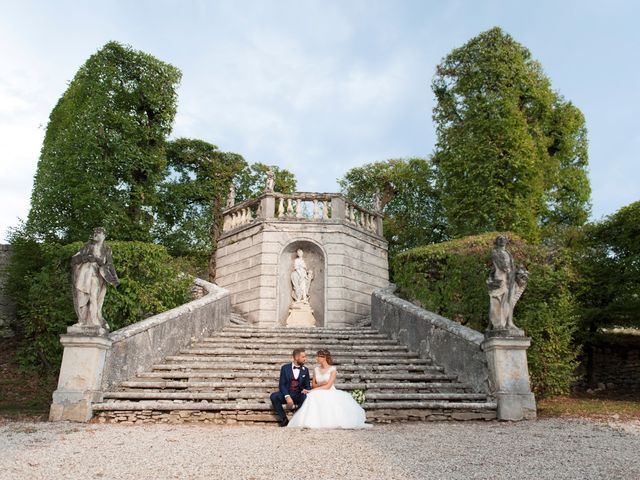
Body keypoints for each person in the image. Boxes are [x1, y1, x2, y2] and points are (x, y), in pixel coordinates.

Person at [287, 349, 371, 429]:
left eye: (318, 356)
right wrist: (320, 384)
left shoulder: (332, 369)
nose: (316, 358)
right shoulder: (316, 369)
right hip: (318, 390)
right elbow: (314, 385)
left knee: (318, 396)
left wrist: (312, 390)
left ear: (324, 358)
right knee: (311, 397)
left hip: (329, 391)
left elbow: (328, 386)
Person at [270, 348, 311, 427]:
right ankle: (284, 419)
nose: (305, 359)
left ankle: (296, 418)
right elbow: (282, 384)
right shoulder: (285, 368)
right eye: (303, 357)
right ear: (296, 357)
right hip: (287, 393)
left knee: (305, 397)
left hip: (298, 394)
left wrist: (305, 390)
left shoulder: (305, 370)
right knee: (274, 396)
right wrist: (287, 396)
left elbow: (307, 386)